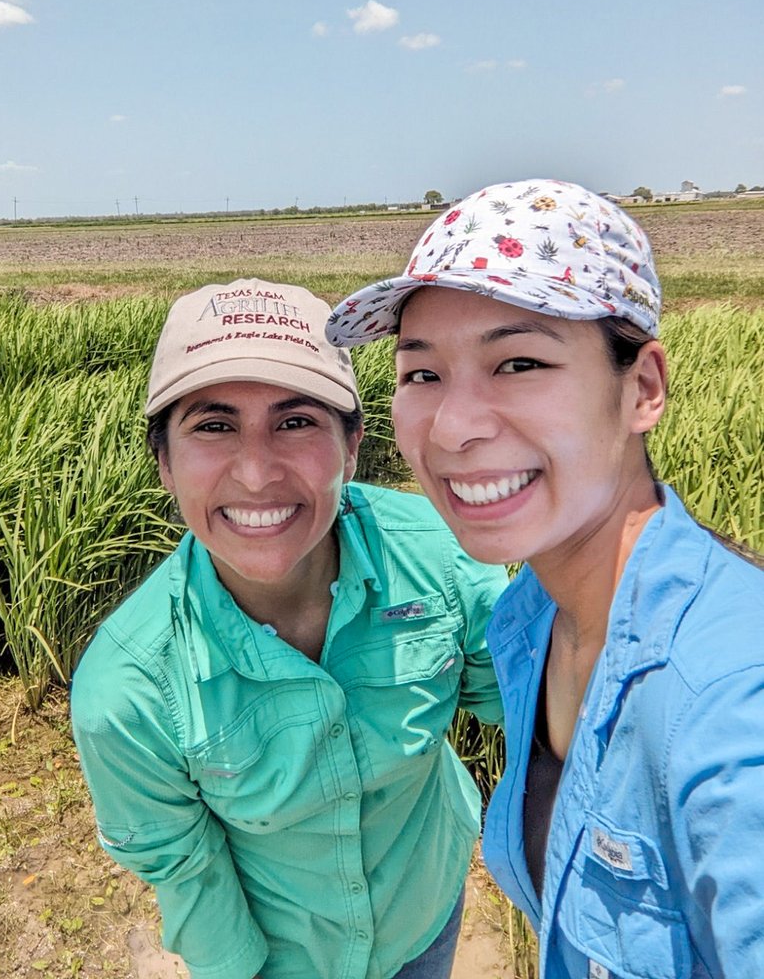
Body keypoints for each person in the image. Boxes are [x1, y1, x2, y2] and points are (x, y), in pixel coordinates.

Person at [327, 181, 764, 978]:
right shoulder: (531, 619)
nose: (453, 428)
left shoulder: (733, 698)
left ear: (643, 388)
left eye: (519, 362)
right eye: (422, 374)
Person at [70, 278, 507, 979]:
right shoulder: (126, 691)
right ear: (163, 463)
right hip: (287, 958)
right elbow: (187, 871)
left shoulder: (443, 558)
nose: (255, 472)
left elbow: (531, 705)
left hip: (426, 906)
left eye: (296, 422)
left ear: (354, 445)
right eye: (213, 426)